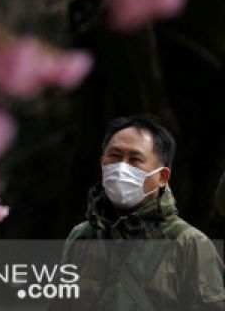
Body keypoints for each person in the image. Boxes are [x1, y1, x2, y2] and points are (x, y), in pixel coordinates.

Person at [62, 115, 225, 310]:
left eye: (135, 159)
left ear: (162, 177)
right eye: (114, 156)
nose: (121, 167)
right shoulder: (82, 237)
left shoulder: (190, 244)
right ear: (102, 164)